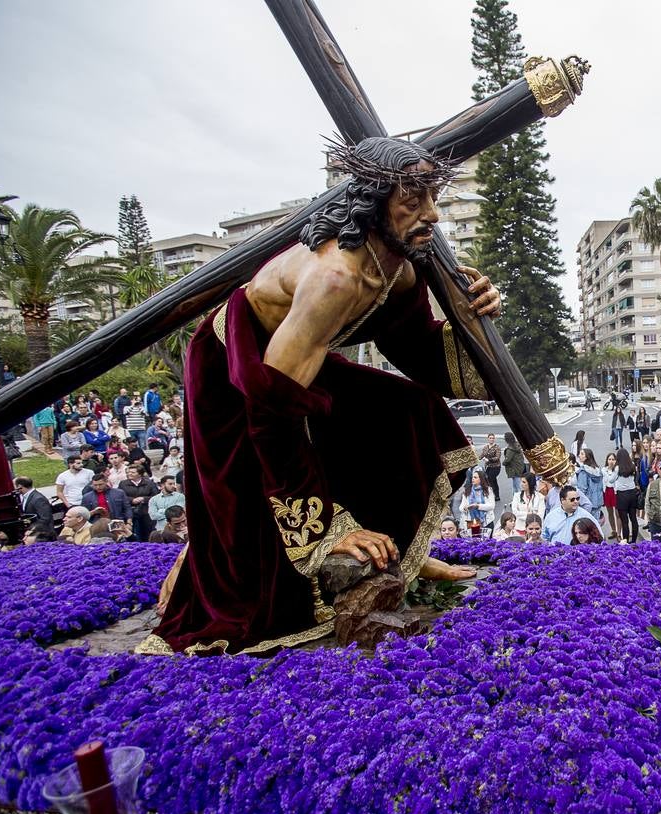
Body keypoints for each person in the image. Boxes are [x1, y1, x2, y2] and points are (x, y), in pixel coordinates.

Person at [143, 137, 499, 656]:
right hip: (232, 365)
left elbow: (417, 349)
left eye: (433, 197)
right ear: (373, 203)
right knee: (246, 486)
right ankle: (204, 565)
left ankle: (402, 550)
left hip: (294, 354)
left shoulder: (399, 262)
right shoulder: (335, 277)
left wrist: (474, 320)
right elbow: (273, 412)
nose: (433, 215)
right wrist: (328, 530)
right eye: (413, 201)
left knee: (408, 408)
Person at [119, 464, 159, 542]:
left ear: (140, 474)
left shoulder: (149, 483)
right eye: (128, 472)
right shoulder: (123, 484)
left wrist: (144, 498)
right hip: (131, 511)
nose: (129, 474)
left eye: (133, 472)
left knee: (147, 531)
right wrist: (131, 500)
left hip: (146, 512)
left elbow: (156, 496)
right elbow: (121, 496)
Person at [608, 448, 640, 544]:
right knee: (633, 518)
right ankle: (634, 540)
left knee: (624, 520)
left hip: (622, 495)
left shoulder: (618, 468)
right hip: (632, 493)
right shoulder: (632, 465)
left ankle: (625, 540)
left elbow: (611, 480)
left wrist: (611, 470)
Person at [14, 476, 55, 542]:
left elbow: (45, 518)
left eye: (14, 486)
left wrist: (31, 529)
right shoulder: (25, 497)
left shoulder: (38, 499)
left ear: (19, 486)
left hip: (42, 536)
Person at [575, 448, 605, 530]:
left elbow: (581, 490)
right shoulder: (598, 470)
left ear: (587, 457)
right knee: (596, 527)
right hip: (598, 503)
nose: (579, 456)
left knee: (586, 528)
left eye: (582, 454)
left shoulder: (583, 471)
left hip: (587, 504)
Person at [477, 433, 502, 499]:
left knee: (490, 479)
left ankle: (493, 495)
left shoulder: (497, 447)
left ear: (494, 439)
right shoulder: (485, 447)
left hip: (496, 466)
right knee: (492, 480)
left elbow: (497, 457)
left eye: (493, 438)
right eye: (490, 438)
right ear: (488, 439)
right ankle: (496, 495)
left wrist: (489, 460)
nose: (492, 439)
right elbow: (482, 455)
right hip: (488, 467)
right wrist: (476, 459)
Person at [501, 432, 526, 499]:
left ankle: (519, 500)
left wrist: (503, 463)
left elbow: (507, 460)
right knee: (518, 485)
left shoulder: (510, 449)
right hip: (519, 467)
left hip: (513, 469)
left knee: (516, 486)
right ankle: (517, 500)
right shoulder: (517, 445)